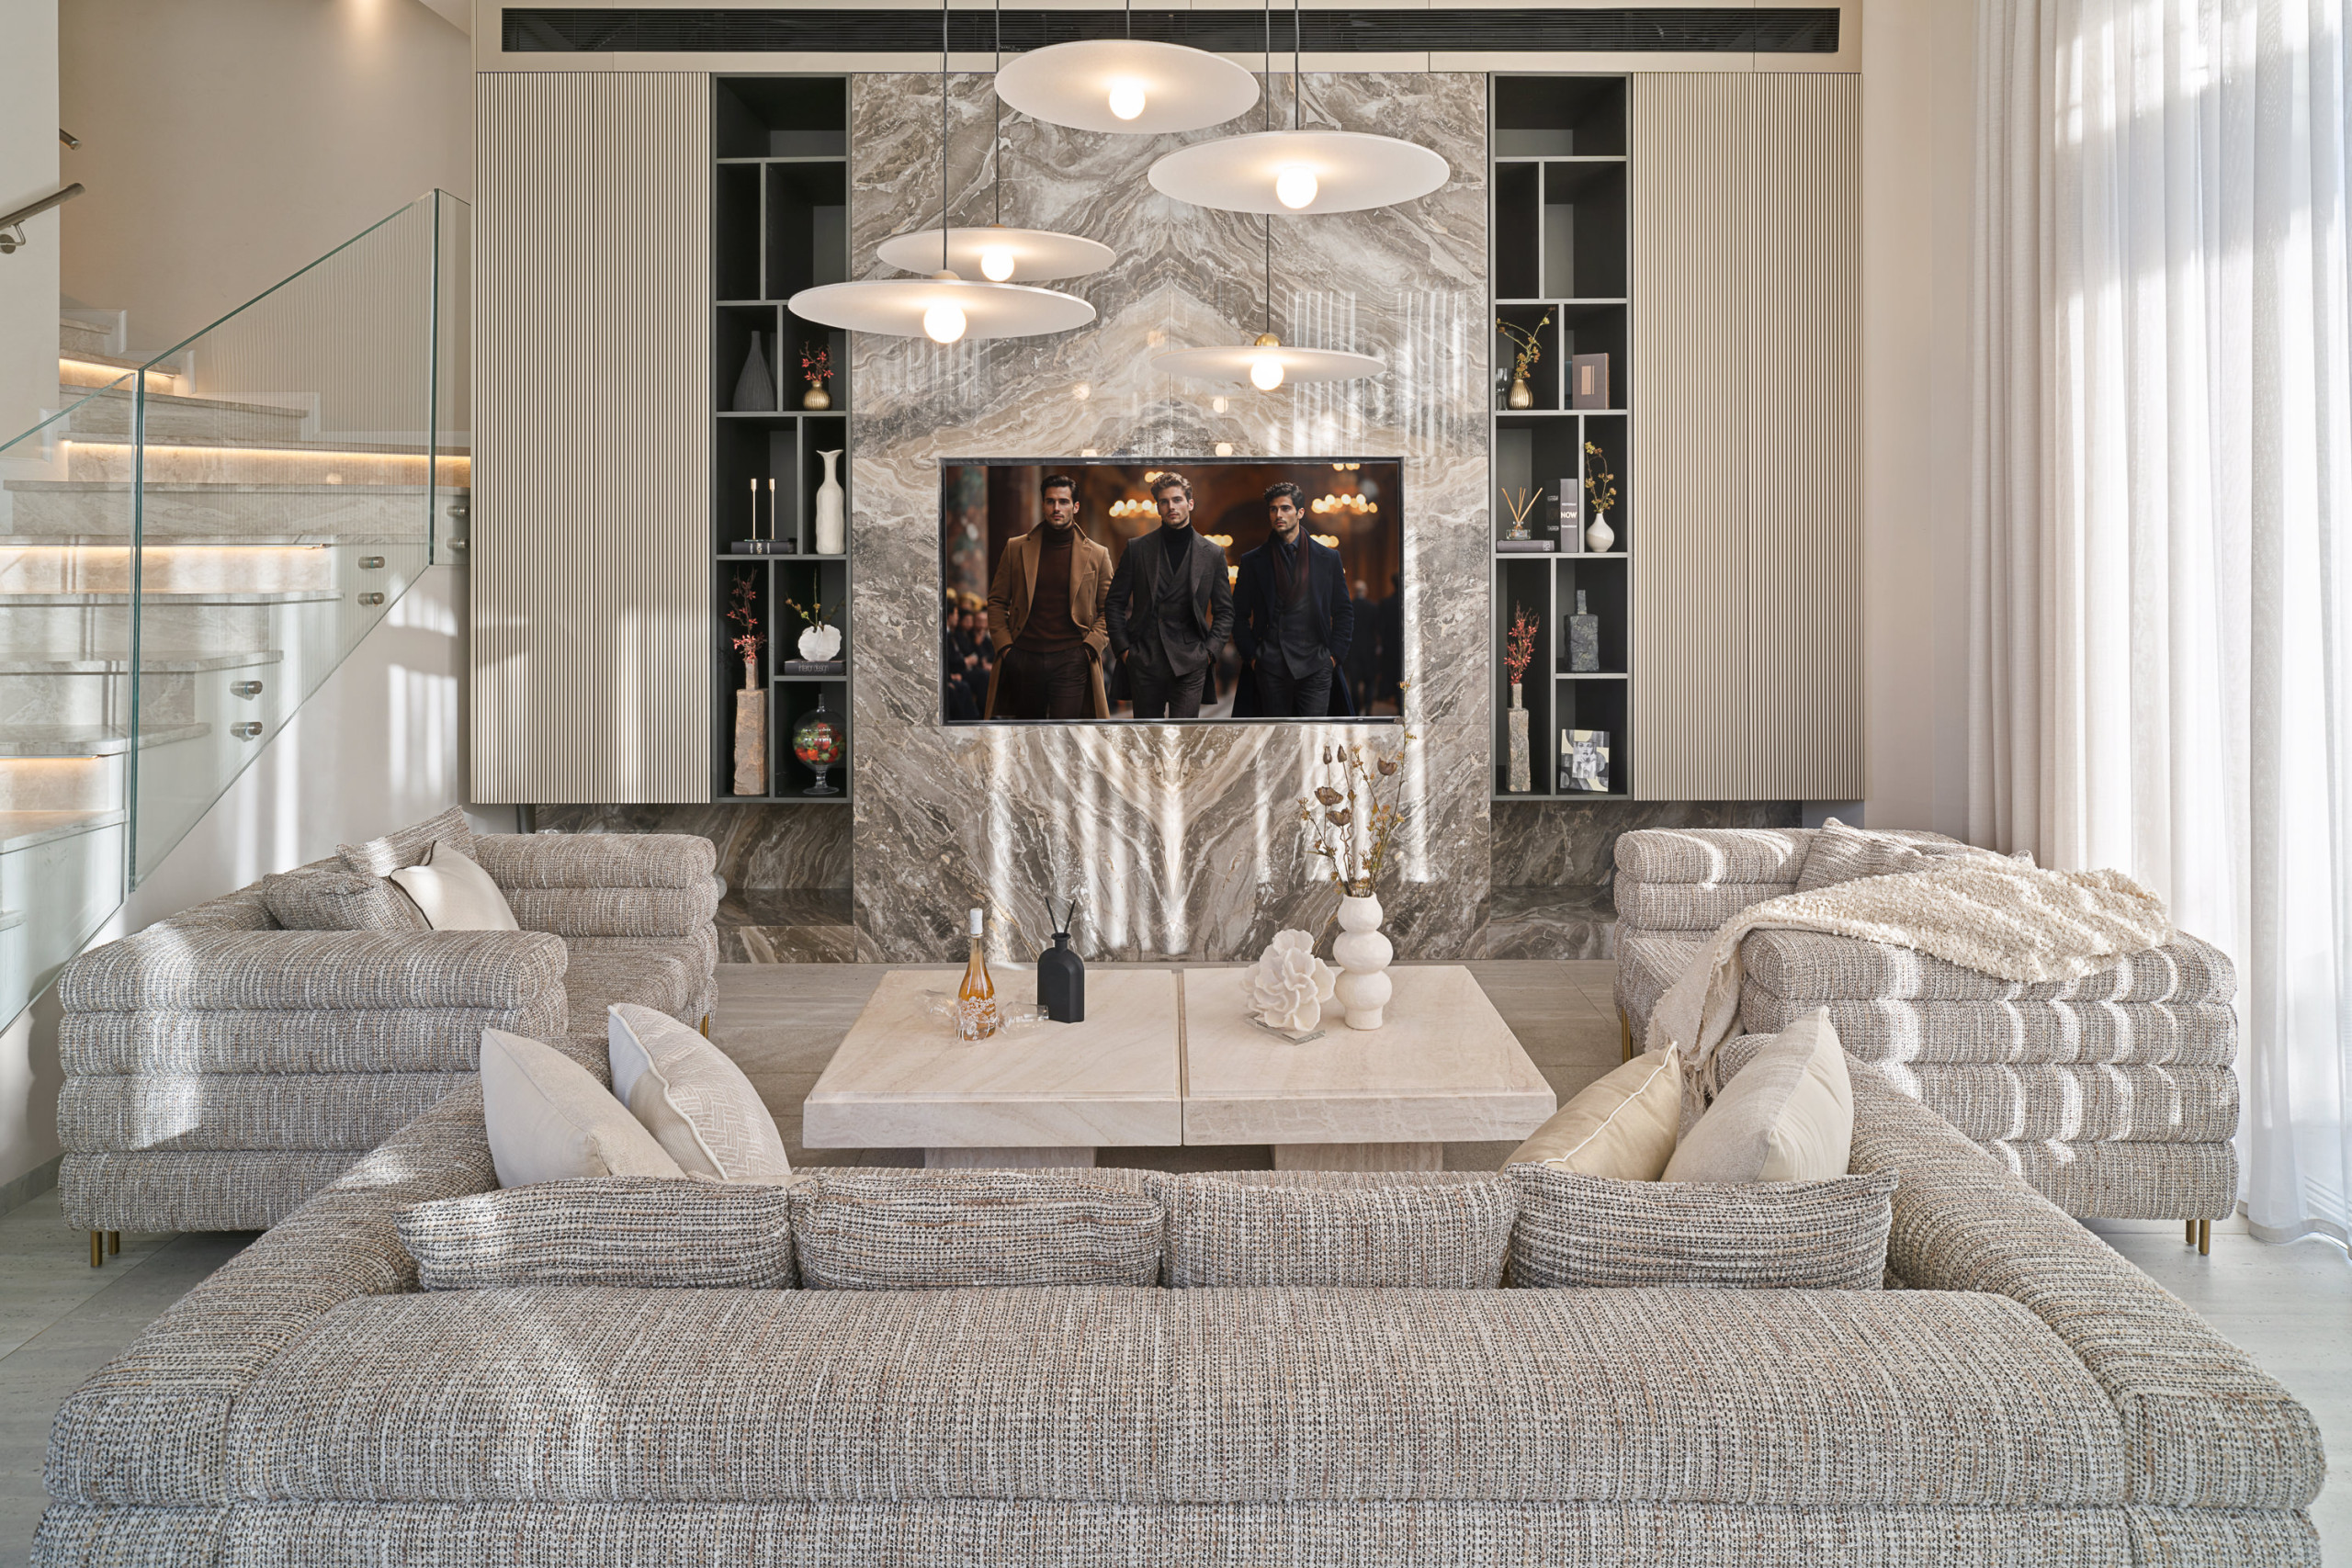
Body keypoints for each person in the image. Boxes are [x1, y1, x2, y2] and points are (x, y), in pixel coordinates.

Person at [1104, 471, 1235, 720]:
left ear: (1190, 503)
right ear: (1158, 508)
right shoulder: (1137, 549)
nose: (1171, 507)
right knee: (1148, 738)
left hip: (1191, 662)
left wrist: (1209, 652)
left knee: (1183, 737)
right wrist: (1124, 650)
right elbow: (1114, 603)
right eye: (1164, 502)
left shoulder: (1212, 554)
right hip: (1144, 659)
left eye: (1177, 500)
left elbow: (1225, 611)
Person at [984, 473, 1114, 719]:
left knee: (1064, 734)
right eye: (1050, 501)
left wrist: (1090, 648)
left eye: (1063, 502)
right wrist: (1006, 648)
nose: (1057, 508)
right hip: (1023, 657)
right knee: (1029, 734)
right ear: (1043, 504)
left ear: (1075, 507)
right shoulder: (1016, 547)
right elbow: (997, 601)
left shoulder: (1097, 554)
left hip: (1072, 658)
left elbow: (1110, 609)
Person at [1233, 480, 1354, 717]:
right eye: (1273, 509)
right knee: (1277, 737)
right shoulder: (1252, 561)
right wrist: (1253, 656)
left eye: (1285, 508)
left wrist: (1333, 657)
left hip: (1316, 665)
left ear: (1300, 512)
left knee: (1314, 735)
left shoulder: (1328, 558)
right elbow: (1238, 614)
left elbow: (1343, 611)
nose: (1278, 514)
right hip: (1270, 666)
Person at [1346, 576, 1377, 713]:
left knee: (1354, 681)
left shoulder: (1349, 607)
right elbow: (1377, 628)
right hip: (1369, 648)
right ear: (1365, 591)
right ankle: (1368, 706)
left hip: (1353, 649)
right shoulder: (1373, 607)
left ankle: (1356, 709)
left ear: (1354, 591)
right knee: (1369, 680)